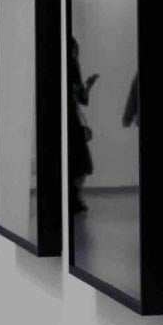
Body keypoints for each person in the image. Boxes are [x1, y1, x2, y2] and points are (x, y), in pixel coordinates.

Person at [68, 37, 98, 215]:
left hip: (71, 121)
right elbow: (82, 98)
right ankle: (75, 199)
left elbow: (82, 99)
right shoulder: (73, 66)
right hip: (72, 122)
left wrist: (88, 85)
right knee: (81, 164)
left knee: (77, 164)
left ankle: (74, 199)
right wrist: (86, 86)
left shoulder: (72, 66)